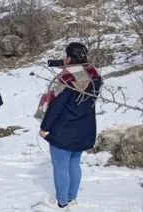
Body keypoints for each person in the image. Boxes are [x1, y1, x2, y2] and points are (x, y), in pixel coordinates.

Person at [38, 42, 102, 210]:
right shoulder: (94, 74)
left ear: (69, 57)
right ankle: (72, 200)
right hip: (84, 127)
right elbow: (80, 88)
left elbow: (56, 106)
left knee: (60, 165)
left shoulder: (66, 78)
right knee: (74, 163)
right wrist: (70, 67)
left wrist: (44, 127)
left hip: (64, 128)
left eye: (66, 56)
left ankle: (61, 202)